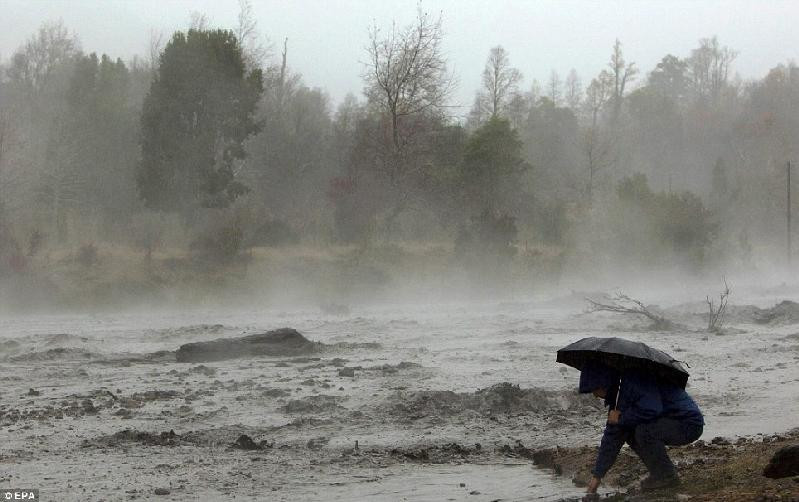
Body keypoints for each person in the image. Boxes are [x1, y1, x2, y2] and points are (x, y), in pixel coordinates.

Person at [579, 360, 704, 495]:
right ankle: (661, 473)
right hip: (670, 421)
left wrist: (621, 418)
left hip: (688, 423)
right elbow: (613, 437)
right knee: (630, 432)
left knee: (643, 432)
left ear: (604, 382)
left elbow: (652, 409)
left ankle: (666, 476)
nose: (595, 395)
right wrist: (597, 477)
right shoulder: (618, 393)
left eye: (595, 389)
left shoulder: (634, 381)